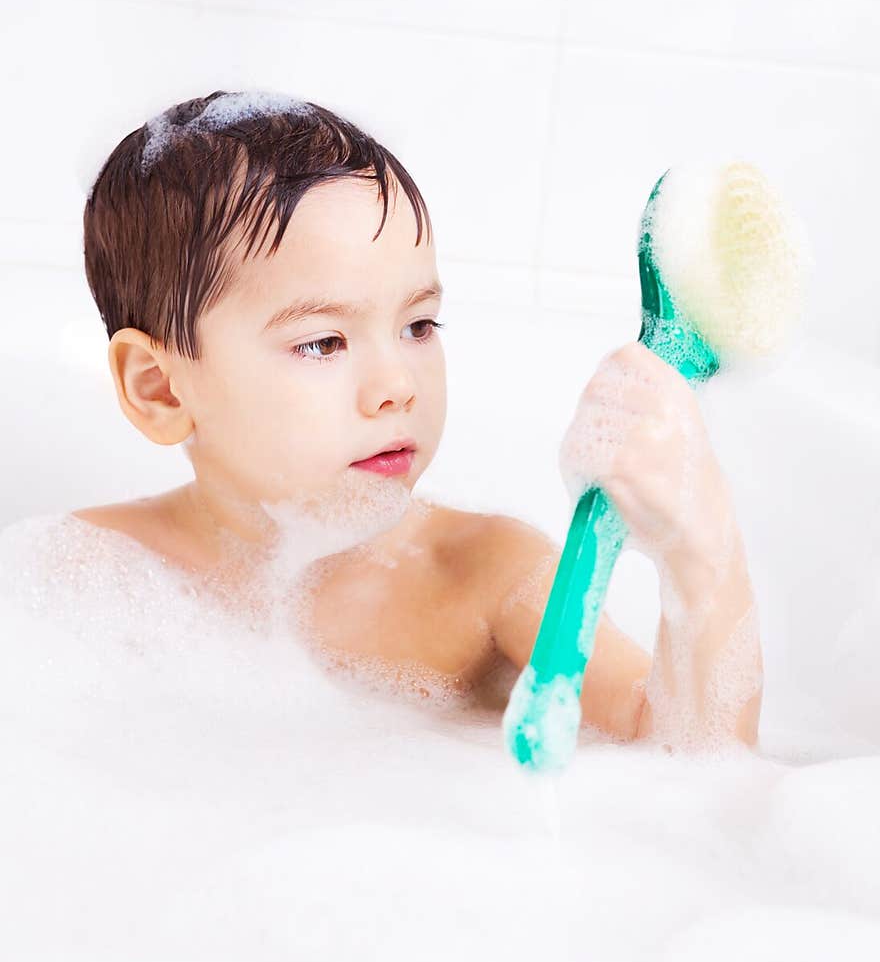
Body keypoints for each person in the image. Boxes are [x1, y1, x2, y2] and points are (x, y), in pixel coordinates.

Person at [73, 90, 762, 748]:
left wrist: (702, 547)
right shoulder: (88, 572)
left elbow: (686, 756)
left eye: (419, 324)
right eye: (323, 342)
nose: (397, 386)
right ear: (161, 389)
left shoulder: (485, 575)